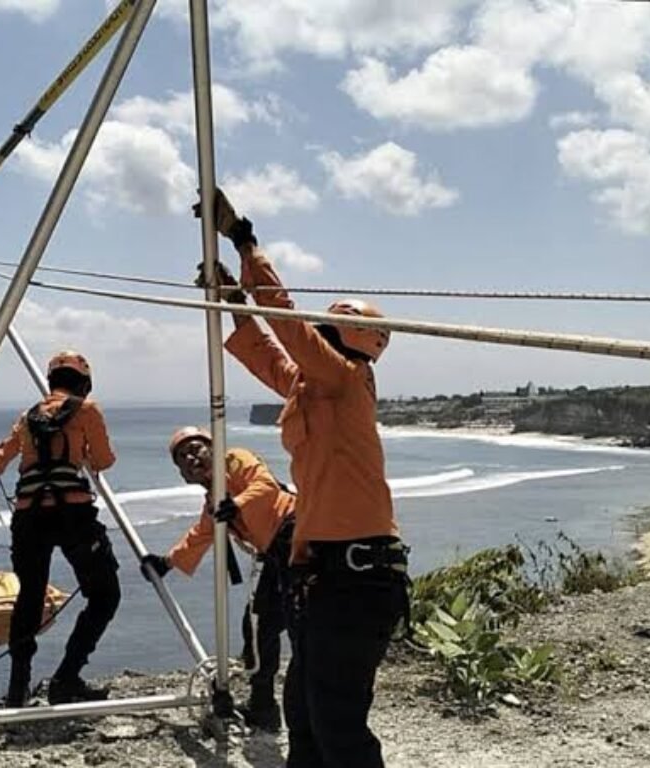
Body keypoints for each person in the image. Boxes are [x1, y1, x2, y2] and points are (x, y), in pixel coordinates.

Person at [197, 190, 409, 767]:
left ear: (343, 339)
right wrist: (233, 304)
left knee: (337, 721)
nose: (311, 335)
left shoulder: (346, 380)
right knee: (306, 713)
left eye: (321, 331)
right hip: (325, 578)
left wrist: (244, 240)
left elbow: (288, 329)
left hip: (357, 581)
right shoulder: (313, 389)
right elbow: (268, 355)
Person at [0, 350, 119, 707]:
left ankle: (17, 690)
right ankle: (66, 678)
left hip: (29, 517)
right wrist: (82, 455)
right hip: (72, 514)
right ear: (84, 385)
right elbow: (104, 460)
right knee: (105, 594)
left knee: (29, 598)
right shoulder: (87, 410)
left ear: (51, 382)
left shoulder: (27, 417)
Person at [141, 427, 295, 731]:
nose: (190, 457)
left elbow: (264, 486)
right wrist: (166, 563)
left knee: (275, 623)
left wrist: (236, 504)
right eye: (182, 457)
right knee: (259, 626)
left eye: (195, 448)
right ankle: (264, 705)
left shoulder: (235, 459)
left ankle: (278, 704)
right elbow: (201, 534)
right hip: (278, 553)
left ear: (214, 447)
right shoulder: (214, 502)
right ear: (185, 476)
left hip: (298, 535)